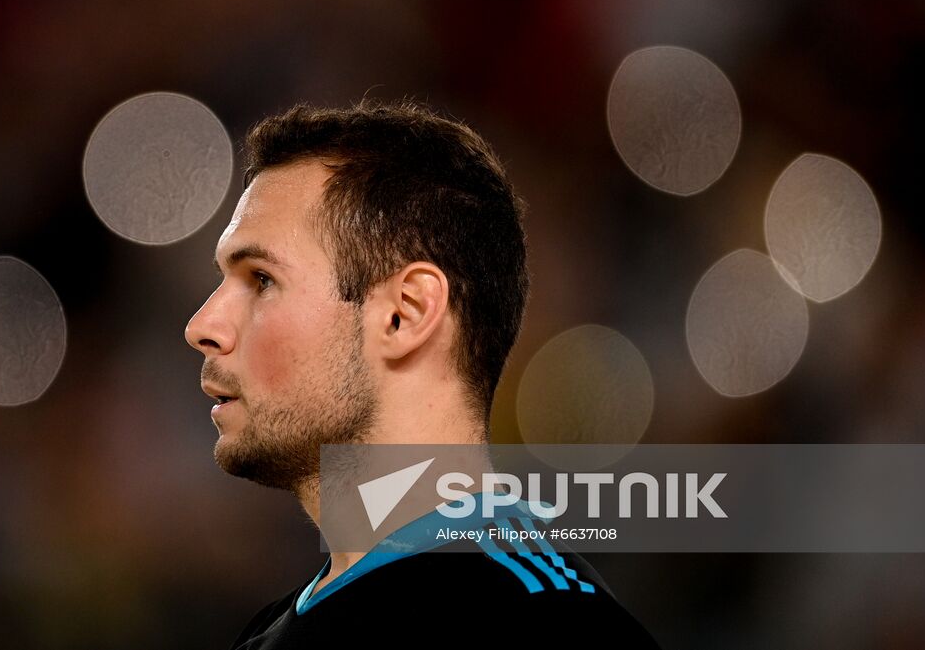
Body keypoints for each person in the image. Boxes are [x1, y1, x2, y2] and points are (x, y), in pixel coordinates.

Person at [184, 100, 661, 648]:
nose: (203, 325)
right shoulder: (273, 630)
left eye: (261, 279)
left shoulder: (551, 631)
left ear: (404, 312)